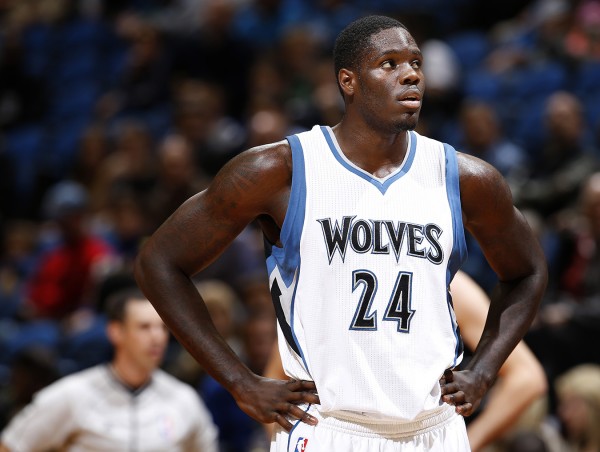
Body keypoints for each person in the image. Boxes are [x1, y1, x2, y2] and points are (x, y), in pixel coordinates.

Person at [134, 15, 547, 452]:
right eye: (388, 64)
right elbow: (158, 262)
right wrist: (240, 381)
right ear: (348, 81)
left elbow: (528, 271)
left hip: (435, 429)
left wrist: (483, 369)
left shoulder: (465, 178)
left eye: (415, 63)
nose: (410, 74)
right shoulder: (280, 170)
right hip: (328, 426)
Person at [264, 270, 547, 452]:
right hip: (333, 433)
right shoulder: (322, 274)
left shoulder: (447, 282)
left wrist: (468, 442)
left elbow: (526, 377)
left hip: (425, 436)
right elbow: (276, 379)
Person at [0, 287, 219, 452]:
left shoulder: (184, 399)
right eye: (144, 327)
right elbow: (10, 445)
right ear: (116, 332)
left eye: (162, 328)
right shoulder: (72, 394)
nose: (157, 337)